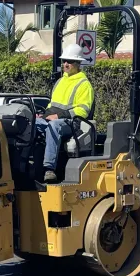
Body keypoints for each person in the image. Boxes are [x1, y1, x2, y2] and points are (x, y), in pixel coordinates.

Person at [35, 43, 95, 183]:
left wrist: (59, 116)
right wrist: (42, 116)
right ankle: (27, 165)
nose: (66, 64)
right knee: (31, 125)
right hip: (53, 119)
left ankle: (49, 169)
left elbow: (83, 110)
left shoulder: (83, 84)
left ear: (78, 63)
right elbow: (51, 105)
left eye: (70, 61)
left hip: (72, 124)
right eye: (64, 61)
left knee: (54, 126)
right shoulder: (60, 82)